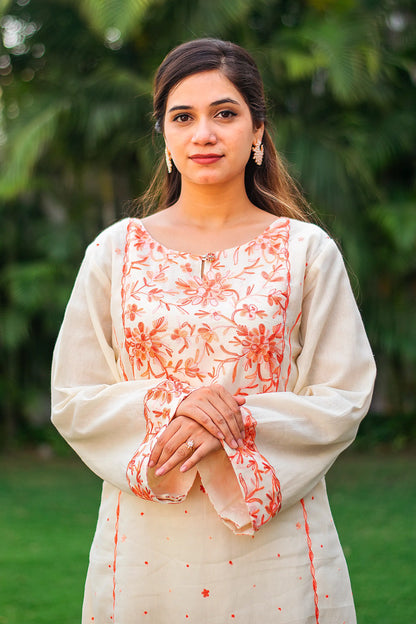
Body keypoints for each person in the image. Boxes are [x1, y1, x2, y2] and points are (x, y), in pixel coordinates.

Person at [51, 38, 376, 624]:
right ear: (165, 137)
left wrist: (237, 421)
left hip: (275, 542)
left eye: (225, 114)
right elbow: (75, 396)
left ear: (257, 133)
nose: (204, 133)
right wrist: (180, 407)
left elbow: (343, 394)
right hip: (146, 545)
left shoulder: (306, 251)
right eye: (184, 117)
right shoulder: (116, 252)